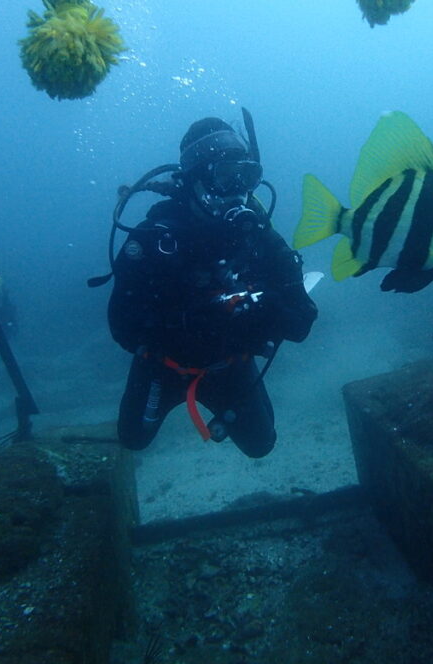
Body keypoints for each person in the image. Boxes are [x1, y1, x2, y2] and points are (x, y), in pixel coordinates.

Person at [107, 113, 317, 458]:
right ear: (195, 180)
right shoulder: (156, 238)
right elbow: (122, 327)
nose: (238, 190)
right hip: (163, 366)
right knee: (133, 439)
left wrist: (270, 311)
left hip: (229, 365)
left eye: (246, 176)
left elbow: (301, 322)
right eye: (225, 176)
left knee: (261, 445)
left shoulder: (258, 236)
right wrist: (189, 321)